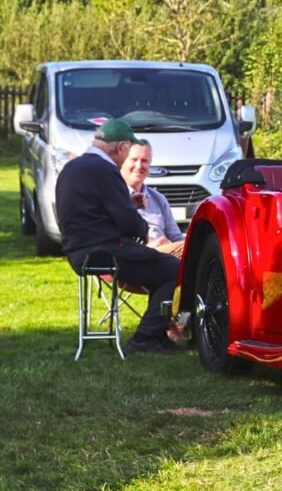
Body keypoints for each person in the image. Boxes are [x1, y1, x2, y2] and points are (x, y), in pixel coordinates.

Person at [55, 119, 181, 355]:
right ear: (121, 146)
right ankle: (146, 337)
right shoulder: (105, 169)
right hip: (105, 251)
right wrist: (141, 227)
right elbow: (129, 224)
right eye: (129, 152)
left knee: (160, 267)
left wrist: (127, 205)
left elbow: (90, 211)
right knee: (173, 269)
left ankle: (157, 333)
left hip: (78, 251)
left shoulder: (73, 167)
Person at [121, 140, 185, 259]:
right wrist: (150, 247)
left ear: (150, 164)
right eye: (134, 160)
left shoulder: (158, 199)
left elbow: (176, 237)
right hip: (134, 257)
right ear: (123, 162)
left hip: (165, 257)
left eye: (144, 161)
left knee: (191, 248)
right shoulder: (115, 195)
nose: (139, 166)